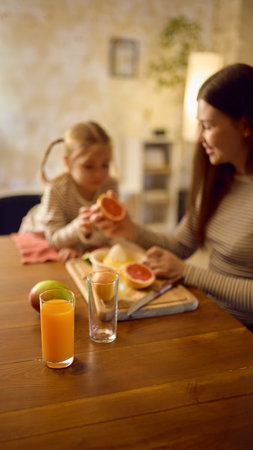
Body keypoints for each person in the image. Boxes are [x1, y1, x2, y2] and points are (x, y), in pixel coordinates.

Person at [90, 63, 253, 329]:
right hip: (208, 315)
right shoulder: (220, 181)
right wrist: (129, 228)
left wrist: (188, 272)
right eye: (199, 125)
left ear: (245, 125)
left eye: (209, 126)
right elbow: (179, 246)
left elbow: (184, 264)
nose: (199, 137)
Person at [19, 121, 119, 262]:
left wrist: (78, 243)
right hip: (41, 232)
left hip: (74, 238)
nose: (99, 174)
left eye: (105, 165)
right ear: (68, 163)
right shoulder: (55, 190)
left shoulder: (110, 186)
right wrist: (78, 228)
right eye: (89, 166)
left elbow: (110, 233)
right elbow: (53, 239)